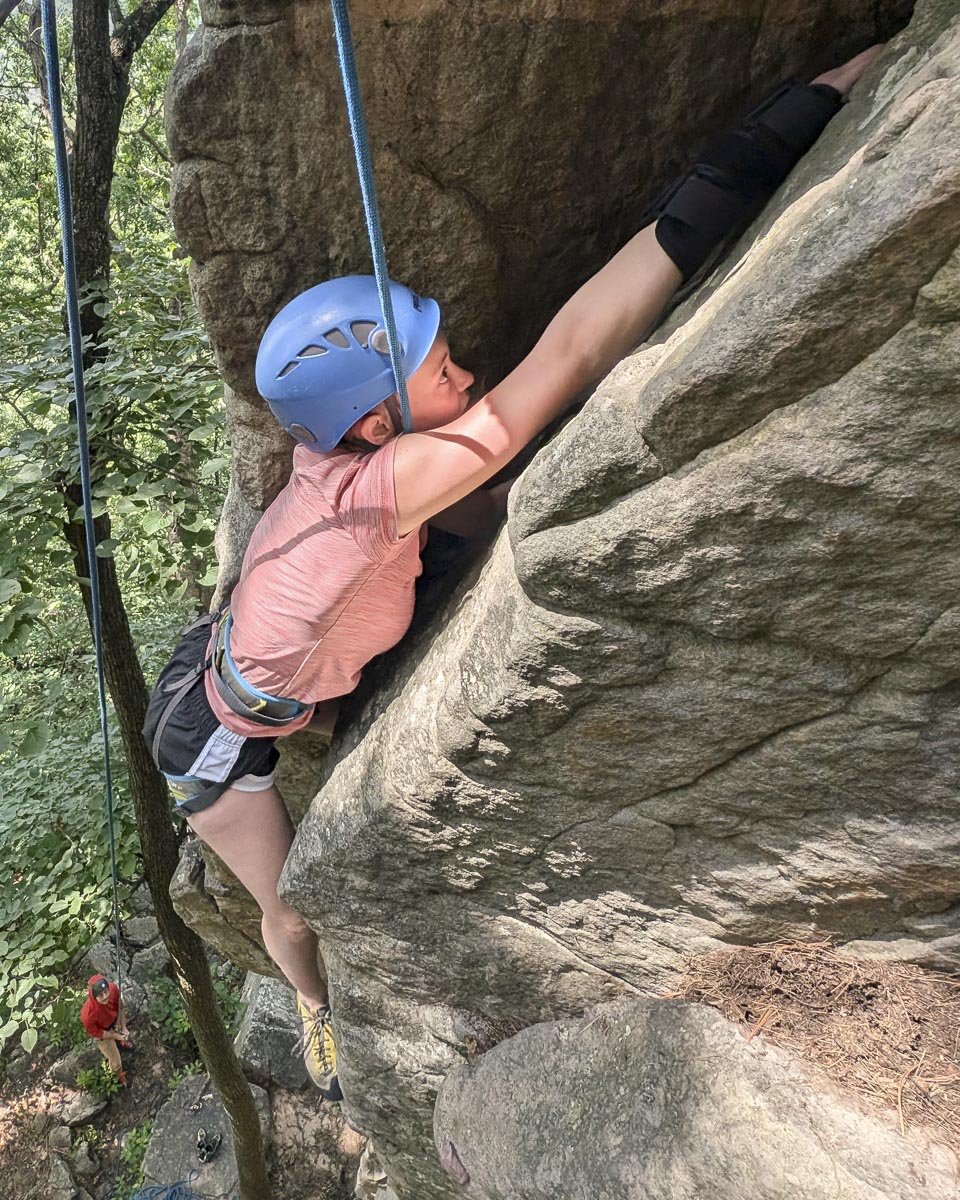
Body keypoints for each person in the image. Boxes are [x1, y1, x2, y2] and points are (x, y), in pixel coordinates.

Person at [144, 47, 882, 1103]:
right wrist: (765, 144)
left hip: (251, 656)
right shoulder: (377, 488)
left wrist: (838, 84)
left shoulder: (347, 457)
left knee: (479, 507)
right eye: (439, 369)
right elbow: (576, 347)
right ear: (375, 424)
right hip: (215, 737)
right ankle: (311, 1011)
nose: (467, 366)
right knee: (295, 909)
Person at [79, 974, 132, 1087]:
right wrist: (115, 1036)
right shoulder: (88, 1015)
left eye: (106, 992)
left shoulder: (113, 989)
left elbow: (120, 1008)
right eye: (100, 995)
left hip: (113, 1021)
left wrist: (123, 1027)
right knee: (116, 1062)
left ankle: (122, 1042)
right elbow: (98, 1033)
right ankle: (119, 1074)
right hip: (103, 1034)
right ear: (93, 996)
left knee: (122, 1034)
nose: (105, 997)